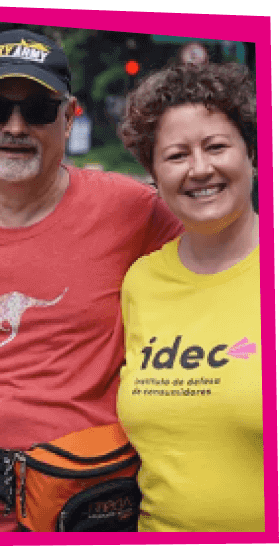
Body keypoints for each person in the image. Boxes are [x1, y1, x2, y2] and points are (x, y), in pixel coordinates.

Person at [0, 29, 184, 531]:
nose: (15, 126)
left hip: (103, 512)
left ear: (69, 117)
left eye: (39, 109)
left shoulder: (133, 212)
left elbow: (218, 267)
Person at [117, 62, 262, 532]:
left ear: (252, 154)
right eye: (177, 155)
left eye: (217, 147)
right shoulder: (142, 281)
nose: (200, 169)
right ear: (153, 174)